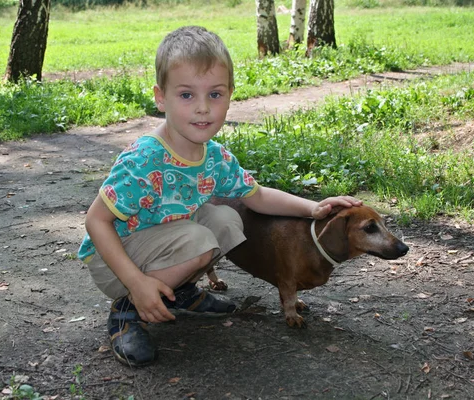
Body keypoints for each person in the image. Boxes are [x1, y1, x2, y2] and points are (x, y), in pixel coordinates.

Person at [78, 25, 362, 367]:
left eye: (215, 94)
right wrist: (135, 283)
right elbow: (96, 221)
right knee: (199, 238)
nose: (202, 108)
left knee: (228, 219)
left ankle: (177, 292)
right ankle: (127, 310)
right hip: (117, 261)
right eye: (186, 95)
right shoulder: (145, 159)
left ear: (230, 94)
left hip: (163, 247)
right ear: (159, 97)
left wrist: (313, 208)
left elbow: (257, 197)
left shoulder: (214, 157)